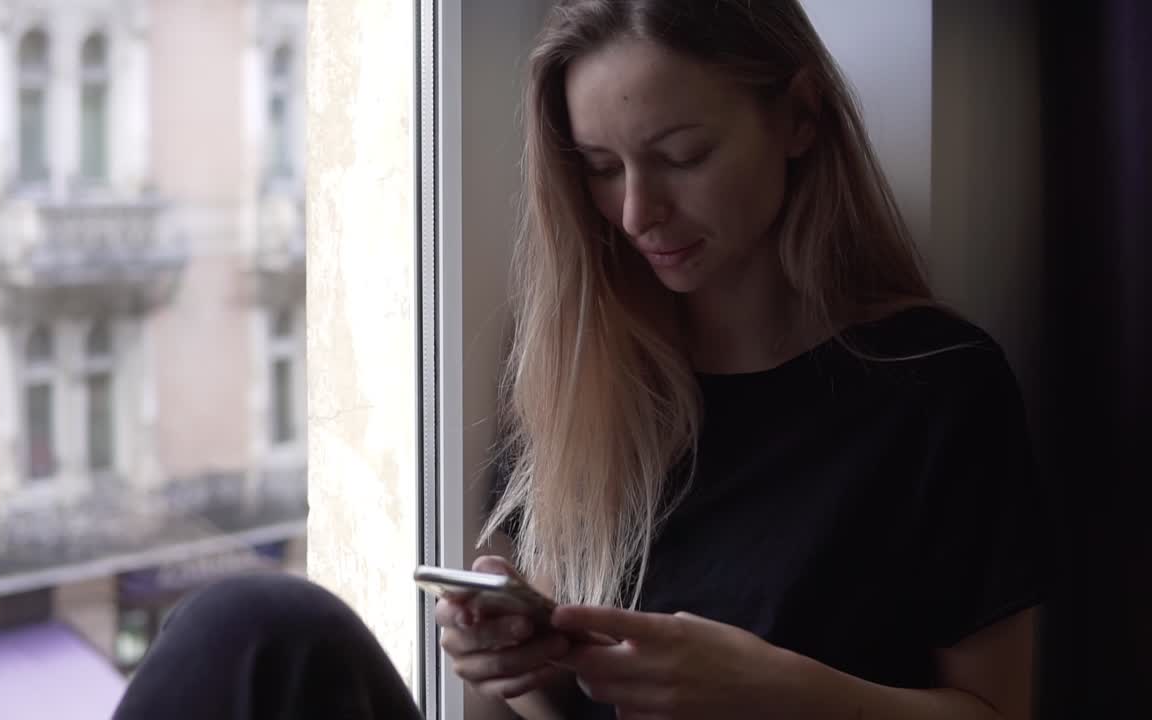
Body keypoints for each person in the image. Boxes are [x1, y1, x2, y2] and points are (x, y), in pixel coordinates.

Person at [115, 1, 1048, 718]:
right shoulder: (578, 368)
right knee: (248, 629)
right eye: (601, 168)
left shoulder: (935, 386)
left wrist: (775, 691)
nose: (638, 213)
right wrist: (511, 660)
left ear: (800, 118)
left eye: (681, 155)